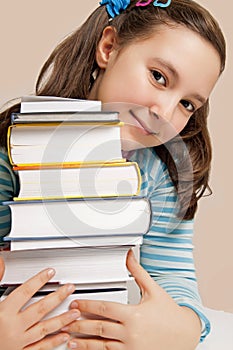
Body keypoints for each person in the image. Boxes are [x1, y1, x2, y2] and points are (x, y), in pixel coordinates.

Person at [0, 0, 226, 349]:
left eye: (187, 104)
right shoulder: (14, 151)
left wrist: (187, 326)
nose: (165, 112)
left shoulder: (159, 173)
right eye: (158, 77)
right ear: (108, 48)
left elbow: (172, 275)